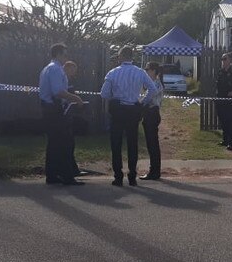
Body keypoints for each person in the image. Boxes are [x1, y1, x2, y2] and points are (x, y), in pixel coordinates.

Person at [100, 46, 158, 187]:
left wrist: (114, 96)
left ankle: (118, 176)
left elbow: (104, 93)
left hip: (118, 109)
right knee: (133, 144)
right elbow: (153, 89)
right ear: (132, 57)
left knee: (116, 143)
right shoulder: (140, 73)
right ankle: (132, 176)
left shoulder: (113, 73)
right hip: (133, 109)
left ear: (120, 57)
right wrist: (142, 102)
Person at [38, 43, 84, 186]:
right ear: (58, 54)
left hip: (49, 108)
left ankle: (52, 175)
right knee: (63, 143)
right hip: (55, 110)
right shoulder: (56, 69)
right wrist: (76, 98)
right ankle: (67, 176)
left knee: (54, 144)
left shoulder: (48, 68)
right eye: (64, 55)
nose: (66, 58)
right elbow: (58, 91)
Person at [63, 60, 89, 177]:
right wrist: (76, 99)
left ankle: (72, 168)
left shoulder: (67, 80)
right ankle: (71, 169)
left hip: (68, 112)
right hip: (63, 113)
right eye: (73, 70)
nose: (74, 73)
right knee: (68, 142)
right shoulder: (64, 80)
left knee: (70, 142)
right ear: (67, 68)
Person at [140, 62, 164, 181]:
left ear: (154, 71)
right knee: (151, 144)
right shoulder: (151, 83)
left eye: (148, 69)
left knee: (153, 144)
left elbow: (149, 97)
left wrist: (141, 102)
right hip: (149, 114)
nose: (146, 71)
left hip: (152, 113)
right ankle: (154, 170)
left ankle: (154, 171)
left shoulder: (156, 84)